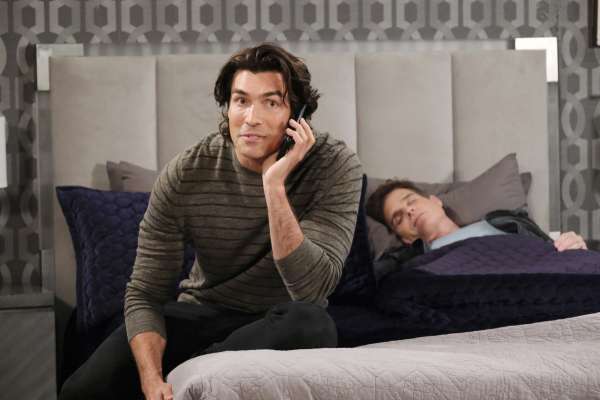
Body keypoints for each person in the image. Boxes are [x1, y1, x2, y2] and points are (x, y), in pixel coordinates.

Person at [59, 44, 363, 400]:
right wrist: (151, 379)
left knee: (312, 324)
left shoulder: (335, 166)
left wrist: (273, 187)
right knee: (80, 392)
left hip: (280, 323)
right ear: (227, 107)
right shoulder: (187, 172)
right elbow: (145, 293)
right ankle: (197, 370)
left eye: (271, 103)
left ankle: (194, 372)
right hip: (203, 314)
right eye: (241, 101)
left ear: (298, 115)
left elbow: (311, 290)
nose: (251, 117)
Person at [365, 180, 587, 278]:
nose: (409, 211)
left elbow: (551, 250)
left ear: (435, 201)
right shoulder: (411, 264)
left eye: (411, 200)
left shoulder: (505, 221)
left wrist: (573, 247)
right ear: (404, 238)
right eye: (398, 218)